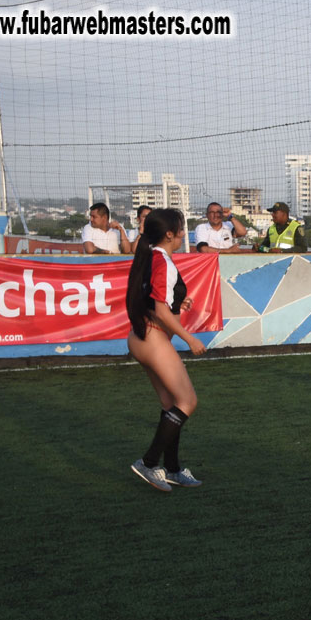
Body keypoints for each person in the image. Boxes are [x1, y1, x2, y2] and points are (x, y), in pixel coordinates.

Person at [124, 208, 207, 491]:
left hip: (142, 337)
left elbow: (158, 303)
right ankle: (148, 463)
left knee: (171, 405)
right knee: (188, 402)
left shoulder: (152, 257)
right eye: (181, 228)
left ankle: (172, 469)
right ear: (169, 234)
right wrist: (190, 339)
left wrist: (178, 306)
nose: (184, 233)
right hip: (153, 339)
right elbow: (159, 309)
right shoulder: (162, 261)